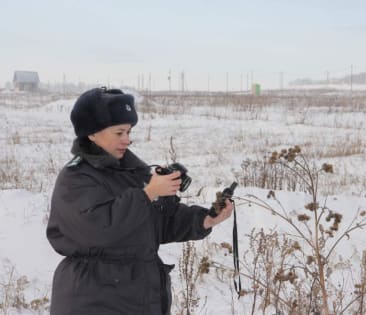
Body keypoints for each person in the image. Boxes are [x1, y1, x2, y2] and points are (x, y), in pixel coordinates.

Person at [46, 87, 233, 315]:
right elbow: (101, 229)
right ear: (92, 133)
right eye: (119, 133)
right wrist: (147, 194)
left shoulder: (131, 172)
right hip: (95, 298)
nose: (127, 139)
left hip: (139, 297)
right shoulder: (75, 178)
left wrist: (205, 219)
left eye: (129, 131)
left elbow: (156, 223)